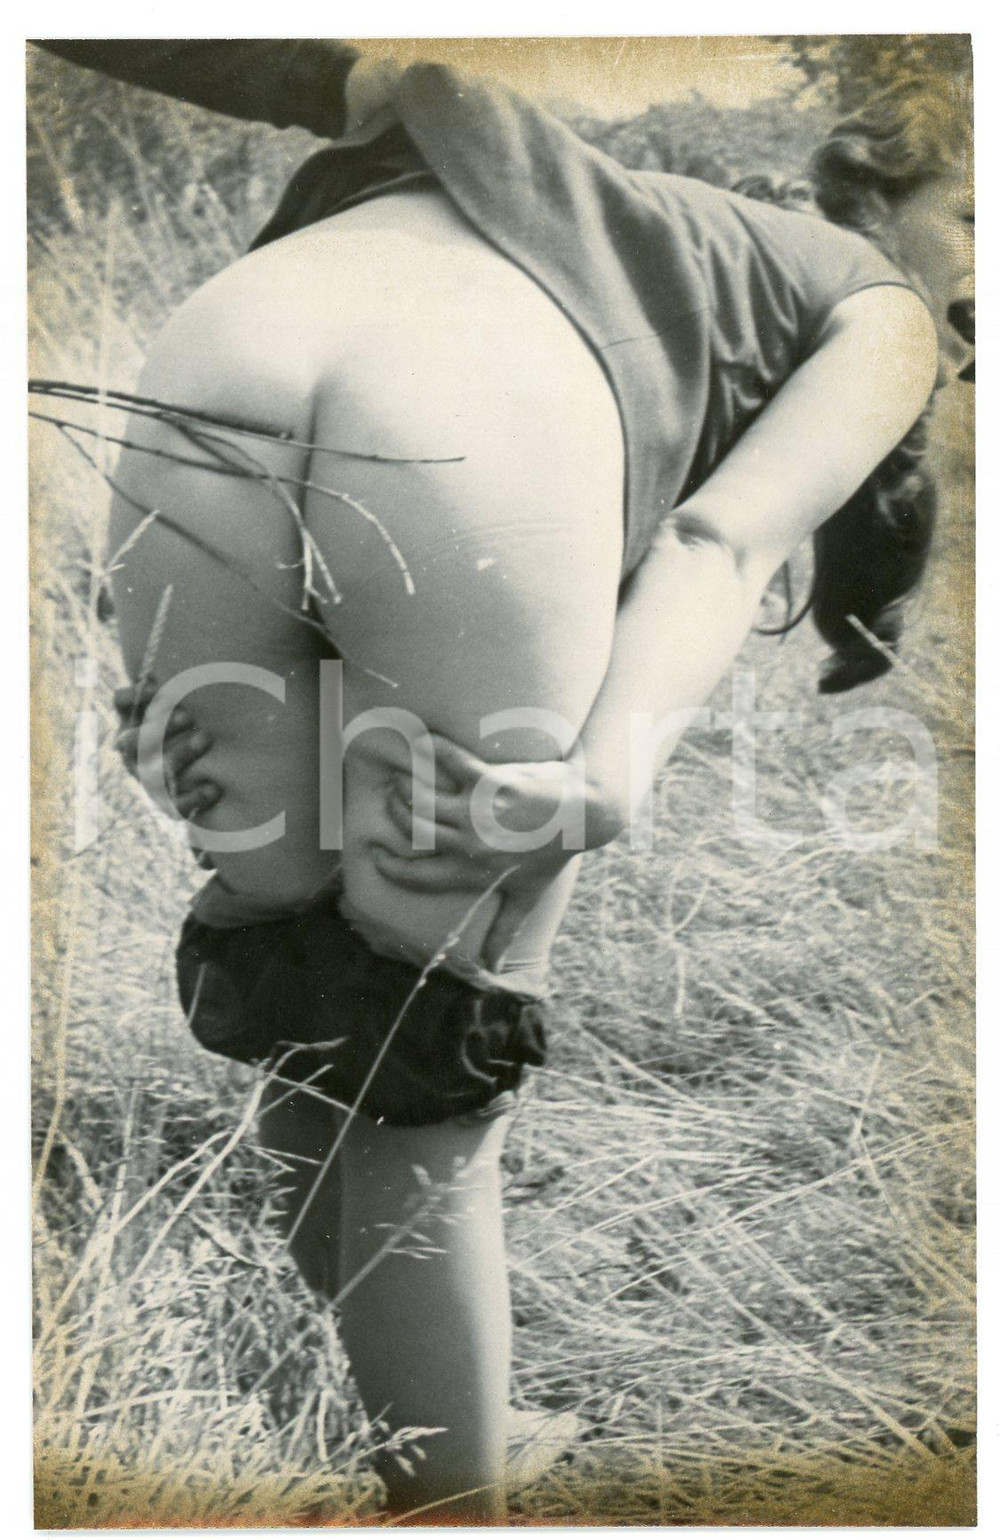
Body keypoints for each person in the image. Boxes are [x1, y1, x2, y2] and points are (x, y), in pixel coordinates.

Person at [35, 42, 972, 1523]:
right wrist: (608, 771)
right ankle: (452, 1501)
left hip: (219, 356)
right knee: (424, 1052)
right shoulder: (884, 310)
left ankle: (384, 1411)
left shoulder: (548, 165)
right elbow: (716, 543)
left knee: (302, 974)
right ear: (887, 195)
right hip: (474, 404)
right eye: (981, 220)